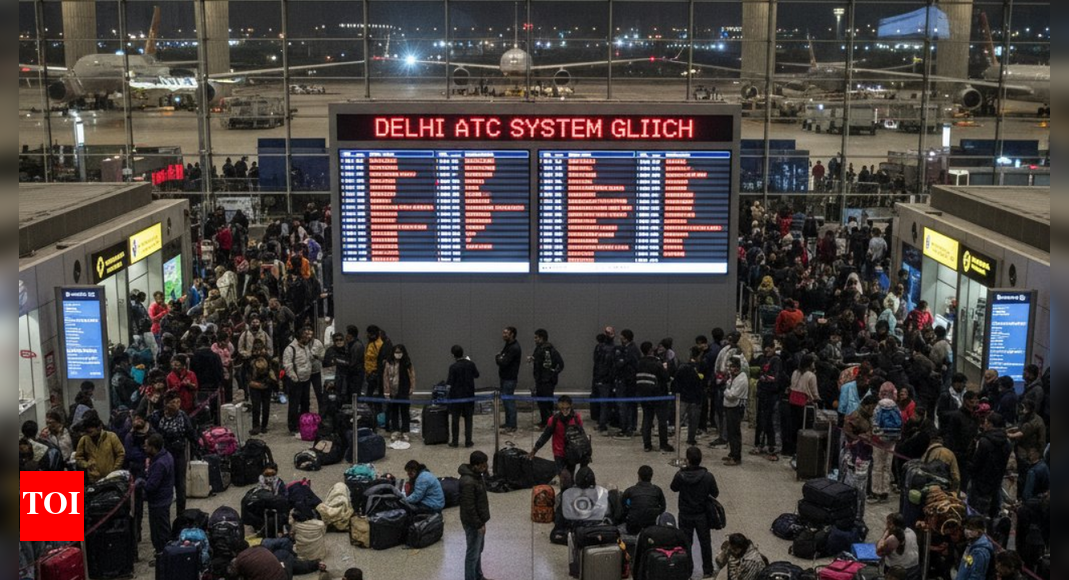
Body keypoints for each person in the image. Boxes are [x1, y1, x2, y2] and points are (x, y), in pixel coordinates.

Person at [671, 447, 720, 579]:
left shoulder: (681, 475)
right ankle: (708, 570)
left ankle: (686, 570)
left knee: (686, 543)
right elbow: (715, 493)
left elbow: (673, 488)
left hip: (685, 513)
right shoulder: (708, 476)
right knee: (705, 543)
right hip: (702, 514)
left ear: (687, 460)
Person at [150, 391, 200, 514]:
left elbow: (190, 433)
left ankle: (181, 515)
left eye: (178, 402)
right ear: (166, 404)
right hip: (163, 456)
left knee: (180, 486)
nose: (177, 405)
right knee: (164, 485)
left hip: (178, 454)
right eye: (173, 402)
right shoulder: (158, 417)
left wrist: (198, 447)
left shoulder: (182, 416)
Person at [529, 395, 586, 478]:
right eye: (562, 408)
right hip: (559, 453)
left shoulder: (576, 418)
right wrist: (535, 449)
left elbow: (582, 435)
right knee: (563, 476)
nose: (565, 411)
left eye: (567, 408)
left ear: (571, 406)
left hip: (572, 453)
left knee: (570, 475)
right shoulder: (554, 420)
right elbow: (545, 436)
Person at [969, 413, 1012, 518]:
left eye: (985, 422)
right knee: (993, 513)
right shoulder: (1007, 442)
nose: (983, 425)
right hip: (996, 483)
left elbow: (976, 464)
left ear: (990, 424)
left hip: (980, 483)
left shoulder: (984, 442)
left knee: (976, 514)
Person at [459, 451, 494, 580]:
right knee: (472, 554)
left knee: (478, 550)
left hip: (479, 520)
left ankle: (478, 576)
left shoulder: (477, 476)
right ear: (475, 465)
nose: (485, 468)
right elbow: (469, 507)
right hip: (473, 523)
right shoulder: (468, 482)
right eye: (483, 465)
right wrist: (479, 524)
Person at [140, 433, 175, 562]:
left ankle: (163, 556)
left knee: (159, 532)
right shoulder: (166, 455)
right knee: (163, 528)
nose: (144, 448)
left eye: (146, 446)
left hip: (158, 501)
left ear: (153, 447)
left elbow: (151, 486)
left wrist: (142, 483)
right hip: (165, 498)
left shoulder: (159, 464)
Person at [842, 395, 877, 520]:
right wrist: (859, 439)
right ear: (868, 406)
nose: (874, 410)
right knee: (852, 487)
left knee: (861, 490)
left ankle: (858, 516)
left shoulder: (868, 416)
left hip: (864, 455)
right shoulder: (855, 415)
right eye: (873, 407)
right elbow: (847, 431)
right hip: (853, 455)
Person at [636, 342, 673, 454]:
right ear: (651, 350)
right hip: (658, 395)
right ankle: (663, 444)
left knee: (647, 419)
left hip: (644, 394)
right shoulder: (656, 363)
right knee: (662, 420)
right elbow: (666, 377)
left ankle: (647, 444)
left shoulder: (639, 362)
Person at [124, 414, 154, 543]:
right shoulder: (130, 436)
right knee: (136, 507)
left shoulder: (151, 433)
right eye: (136, 418)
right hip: (135, 473)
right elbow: (129, 454)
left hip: (149, 472)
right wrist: (145, 454)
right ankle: (136, 533)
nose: (138, 421)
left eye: (140, 418)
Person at [1008, 400, 1046, 500]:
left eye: (1023, 408)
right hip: (1026, 451)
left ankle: (1023, 498)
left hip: (1030, 453)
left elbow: (1021, 433)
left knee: (1025, 477)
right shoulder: (1028, 418)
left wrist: (1007, 434)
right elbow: (1019, 427)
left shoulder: (1034, 421)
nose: (1021, 410)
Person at [784, 355, 820, 457]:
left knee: (793, 426)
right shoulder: (811, 376)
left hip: (793, 401)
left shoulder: (795, 372)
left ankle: (792, 449)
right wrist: (818, 400)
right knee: (804, 427)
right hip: (805, 404)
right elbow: (814, 392)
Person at [283, 327, 317, 437]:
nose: (307, 338)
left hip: (306, 380)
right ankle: (293, 426)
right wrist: (295, 378)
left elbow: (308, 360)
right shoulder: (290, 349)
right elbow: (287, 366)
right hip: (296, 381)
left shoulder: (306, 347)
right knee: (294, 404)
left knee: (305, 403)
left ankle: (304, 423)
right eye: (305, 337)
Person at [753, 339, 782, 459]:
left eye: (770, 347)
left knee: (771, 421)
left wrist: (765, 378)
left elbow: (775, 378)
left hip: (772, 395)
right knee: (760, 420)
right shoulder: (762, 359)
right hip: (762, 394)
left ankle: (772, 446)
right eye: (765, 347)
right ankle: (759, 444)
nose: (767, 349)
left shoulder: (777, 360)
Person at [74, 415, 126, 484]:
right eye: (87, 432)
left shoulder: (111, 437)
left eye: (91, 431)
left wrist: (114, 470)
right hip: (93, 479)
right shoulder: (84, 440)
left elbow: (121, 454)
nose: (89, 434)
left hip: (111, 478)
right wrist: (86, 465)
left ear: (99, 427)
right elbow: (78, 457)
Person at [447, 345, 480, 449]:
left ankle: (455, 441)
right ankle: (468, 441)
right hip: (469, 396)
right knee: (468, 420)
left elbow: (449, 383)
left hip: (456, 397)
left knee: (455, 420)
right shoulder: (471, 364)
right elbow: (477, 375)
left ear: (453, 355)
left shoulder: (453, 367)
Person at [530, 329, 565, 427]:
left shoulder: (550, 350)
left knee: (547, 403)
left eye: (536, 337)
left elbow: (561, 364)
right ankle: (545, 422)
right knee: (542, 403)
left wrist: (552, 373)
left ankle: (550, 423)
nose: (535, 339)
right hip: (540, 380)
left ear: (541, 338)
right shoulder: (539, 349)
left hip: (547, 382)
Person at [383, 344, 416, 442]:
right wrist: (386, 391)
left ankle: (405, 431)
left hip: (404, 390)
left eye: (400, 352)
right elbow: (385, 377)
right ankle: (395, 430)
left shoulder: (407, 363)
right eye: (396, 352)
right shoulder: (389, 363)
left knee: (405, 411)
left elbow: (412, 376)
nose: (398, 354)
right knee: (394, 411)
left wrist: (412, 387)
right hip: (393, 390)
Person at [621, 465, 667, 534]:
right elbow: (663, 507)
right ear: (651, 476)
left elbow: (623, 506)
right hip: (651, 526)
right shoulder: (657, 490)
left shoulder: (630, 490)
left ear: (638, 476)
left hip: (633, 527)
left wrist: (630, 512)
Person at [246, 339, 278, 436]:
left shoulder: (268, 359)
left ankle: (263, 426)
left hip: (265, 385)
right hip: (255, 385)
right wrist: (251, 382)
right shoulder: (250, 360)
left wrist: (269, 382)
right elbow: (246, 374)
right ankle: (256, 426)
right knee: (256, 407)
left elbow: (273, 372)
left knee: (265, 406)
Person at [674, 347, 704, 447]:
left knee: (679, 419)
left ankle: (677, 438)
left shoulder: (682, 367)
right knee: (693, 420)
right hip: (694, 398)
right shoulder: (700, 366)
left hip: (683, 397)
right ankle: (691, 439)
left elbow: (676, 382)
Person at [495, 326, 522, 435]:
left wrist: (498, 357)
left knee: (509, 402)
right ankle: (508, 423)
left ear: (512, 334)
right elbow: (501, 358)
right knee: (506, 402)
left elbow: (503, 361)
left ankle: (512, 425)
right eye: (503, 333)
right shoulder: (508, 345)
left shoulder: (514, 348)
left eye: (506, 333)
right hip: (505, 377)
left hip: (510, 379)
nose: (503, 335)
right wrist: (499, 357)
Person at [722, 357, 748, 466]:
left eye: (731, 367)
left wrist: (725, 391)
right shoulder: (733, 377)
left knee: (735, 433)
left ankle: (736, 457)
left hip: (736, 408)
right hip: (730, 407)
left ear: (737, 367)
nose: (729, 369)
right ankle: (732, 453)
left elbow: (732, 395)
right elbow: (728, 386)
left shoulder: (741, 379)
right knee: (730, 432)